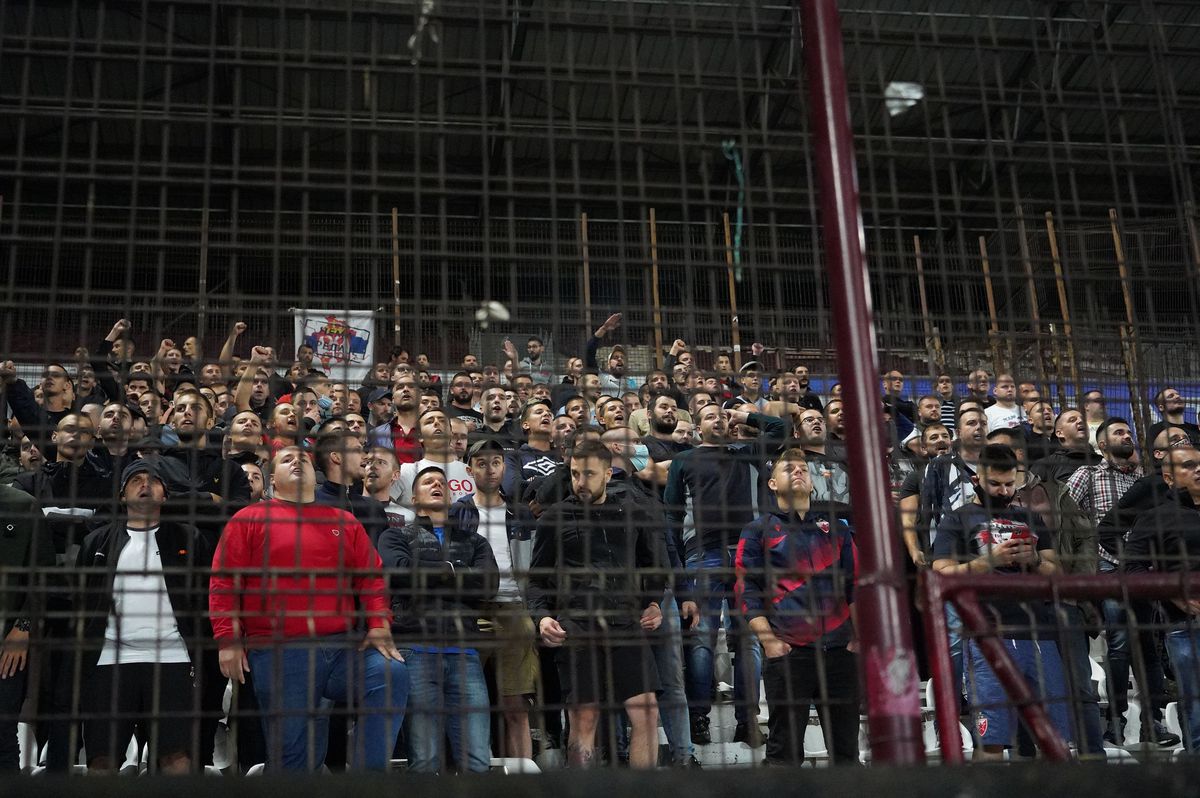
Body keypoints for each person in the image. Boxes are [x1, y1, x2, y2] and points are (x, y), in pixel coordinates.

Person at [209, 446, 409, 771]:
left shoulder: (343, 520)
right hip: (279, 651)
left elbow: (371, 577)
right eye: (287, 459)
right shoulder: (249, 518)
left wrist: (378, 624)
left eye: (302, 458)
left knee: (390, 673)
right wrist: (228, 639)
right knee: (293, 758)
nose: (296, 462)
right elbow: (224, 583)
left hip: (340, 646)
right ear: (272, 479)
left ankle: (366, 781)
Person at [528, 441, 668, 769]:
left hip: (626, 624)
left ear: (607, 473)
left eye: (588, 474)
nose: (580, 481)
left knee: (647, 712)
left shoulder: (633, 513)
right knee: (584, 718)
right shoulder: (555, 517)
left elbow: (654, 568)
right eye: (575, 474)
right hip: (577, 625)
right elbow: (535, 580)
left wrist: (653, 603)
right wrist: (541, 618)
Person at [74, 459, 217, 773]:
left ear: (165, 495)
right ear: (122, 495)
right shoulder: (96, 542)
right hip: (108, 661)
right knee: (101, 760)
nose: (144, 484)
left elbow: (207, 599)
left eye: (153, 480)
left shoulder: (188, 538)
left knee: (177, 758)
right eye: (136, 479)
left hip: (173, 660)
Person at [931, 444, 1071, 759]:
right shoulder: (958, 518)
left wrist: (1033, 558)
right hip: (986, 633)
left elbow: (1057, 572)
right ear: (978, 478)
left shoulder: (1029, 518)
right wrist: (987, 561)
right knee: (991, 738)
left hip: (1039, 633)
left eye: (1010, 484)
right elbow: (940, 573)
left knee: (1054, 737)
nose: (1004, 491)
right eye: (996, 484)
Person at [665, 403, 786, 747]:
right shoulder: (683, 460)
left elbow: (780, 430)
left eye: (721, 415)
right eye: (709, 416)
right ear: (698, 427)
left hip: (748, 554)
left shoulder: (745, 453)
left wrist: (745, 416)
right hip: (703, 555)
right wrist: (679, 575)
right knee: (702, 636)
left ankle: (747, 720)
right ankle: (699, 718)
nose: (717, 419)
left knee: (749, 640)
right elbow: (671, 519)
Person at [737, 448, 859, 765]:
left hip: (839, 652)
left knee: (847, 753)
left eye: (803, 468)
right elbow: (746, 589)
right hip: (789, 652)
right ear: (772, 483)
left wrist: (858, 638)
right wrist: (769, 640)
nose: (798, 472)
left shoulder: (839, 528)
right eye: (788, 468)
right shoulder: (757, 531)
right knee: (785, 753)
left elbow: (854, 586)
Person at [377, 467, 498, 774]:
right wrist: (457, 572)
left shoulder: (475, 541)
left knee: (478, 762)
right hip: (415, 650)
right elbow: (400, 576)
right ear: (413, 496)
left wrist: (432, 573)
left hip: (465, 653)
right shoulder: (395, 535)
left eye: (443, 483)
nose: (437, 485)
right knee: (425, 760)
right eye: (428, 482)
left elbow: (488, 585)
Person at [449, 440, 538, 760]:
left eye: (497, 462)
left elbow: (534, 563)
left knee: (516, 705)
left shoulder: (520, 513)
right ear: (470, 469)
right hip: (473, 609)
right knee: (468, 701)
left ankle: (524, 773)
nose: (490, 469)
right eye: (482, 463)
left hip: (514, 607)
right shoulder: (459, 510)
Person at [1125, 443, 1200, 753]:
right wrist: (1174, 594)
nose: (1199, 469)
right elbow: (1131, 568)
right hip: (1186, 625)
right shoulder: (1156, 517)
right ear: (1168, 478)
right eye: (1189, 466)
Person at [0, 483, 53, 772]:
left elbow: (43, 576)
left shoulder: (23, 506)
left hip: (8, 642)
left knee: (2, 733)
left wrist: (24, 626)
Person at [314, 428, 390, 546]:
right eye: (357, 450)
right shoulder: (312, 505)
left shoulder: (374, 508)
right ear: (336, 457)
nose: (366, 457)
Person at [395, 409, 475, 507]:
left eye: (442, 421)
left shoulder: (471, 472)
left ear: (450, 433)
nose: (437, 423)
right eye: (429, 421)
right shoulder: (405, 471)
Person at [1030, 409, 1100, 483]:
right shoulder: (1045, 465)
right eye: (1072, 420)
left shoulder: (1103, 461)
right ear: (1060, 433)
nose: (1080, 421)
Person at [369, 375, 423, 464]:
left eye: (411, 387)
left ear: (420, 397)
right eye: (400, 387)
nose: (406, 389)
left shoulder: (431, 430)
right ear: (393, 399)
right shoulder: (377, 435)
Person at [584, 313, 639, 397]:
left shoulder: (633, 385)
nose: (620, 359)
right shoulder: (601, 379)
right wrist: (604, 329)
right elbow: (588, 352)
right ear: (608, 364)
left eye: (622, 357)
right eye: (615, 357)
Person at [363, 446, 415, 527]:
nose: (372, 466)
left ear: (395, 475)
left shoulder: (409, 518)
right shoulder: (348, 509)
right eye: (368, 462)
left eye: (381, 462)